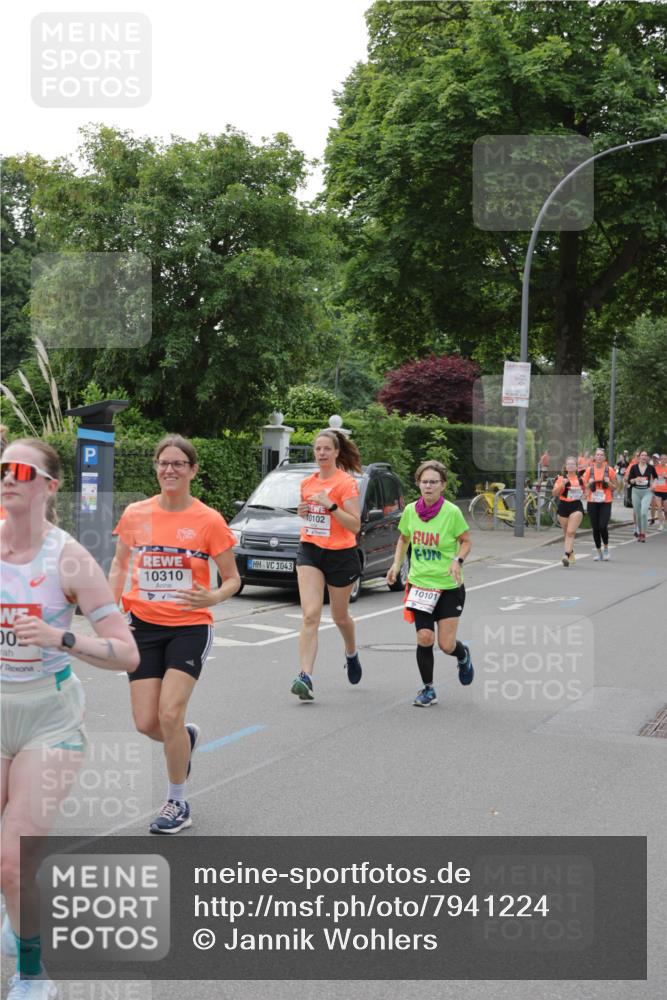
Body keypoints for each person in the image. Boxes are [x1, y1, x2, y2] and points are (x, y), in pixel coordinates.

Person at [1, 439, 139, 1000]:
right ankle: (16, 911)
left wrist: (61, 637)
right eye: (1, 468)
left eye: (19, 469)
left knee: (14, 861)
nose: (7, 477)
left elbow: (126, 654)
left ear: (49, 486)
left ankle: (33, 974)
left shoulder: (69, 558)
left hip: (49, 722)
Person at [109, 435, 240, 833]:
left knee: (169, 714)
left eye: (178, 463)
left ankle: (177, 802)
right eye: (163, 463)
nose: (170, 469)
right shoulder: (136, 514)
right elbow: (119, 566)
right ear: (156, 468)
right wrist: (110, 614)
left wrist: (213, 595)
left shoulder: (208, 520)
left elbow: (233, 579)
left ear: (192, 470)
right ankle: (184, 738)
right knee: (146, 723)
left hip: (189, 627)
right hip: (142, 626)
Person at [386, 460, 473, 707]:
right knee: (424, 637)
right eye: (424, 482)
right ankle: (428, 689)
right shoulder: (410, 511)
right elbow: (404, 538)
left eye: (434, 482)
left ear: (442, 485)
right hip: (420, 585)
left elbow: (466, 541)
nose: (428, 486)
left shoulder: (452, 513)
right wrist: (396, 565)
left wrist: (457, 560)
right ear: (418, 484)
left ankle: (462, 654)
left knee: (446, 645)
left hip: (448, 586)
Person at [290, 429, 363, 702]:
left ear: (336, 452)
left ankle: (351, 652)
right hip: (310, 549)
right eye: (317, 448)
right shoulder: (307, 483)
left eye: (326, 449)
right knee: (310, 615)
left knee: (340, 616)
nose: (321, 453)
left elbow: (355, 525)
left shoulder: (346, 483)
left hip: (340, 555)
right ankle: (305, 676)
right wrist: (302, 511)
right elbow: (307, 514)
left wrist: (331, 506)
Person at [583, 448, 616, 561]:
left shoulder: (609, 470)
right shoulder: (589, 470)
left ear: (604, 457)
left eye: (601, 455)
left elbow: (615, 487)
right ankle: (599, 552)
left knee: (602, 526)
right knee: (595, 528)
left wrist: (608, 482)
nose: (599, 457)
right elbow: (585, 486)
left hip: (605, 502)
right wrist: (589, 484)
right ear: (594, 457)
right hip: (592, 502)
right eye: (597, 455)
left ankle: (606, 548)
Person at [552, 457, 585, 566]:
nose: (570, 466)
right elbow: (554, 493)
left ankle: (566, 555)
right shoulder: (560, 478)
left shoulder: (581, 479)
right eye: (568, 464)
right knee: (566, 533)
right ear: (565, 467)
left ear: (576, 467)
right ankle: (571, 553)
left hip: (576, 506)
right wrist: (562, 484)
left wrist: (586, 494)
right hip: (563, 506)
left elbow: (587, 491)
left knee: (570, 532)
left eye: (572, 464)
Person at [626, 450, 659, 542]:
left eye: (645, 455)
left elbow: (656, 477)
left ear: (647, 457)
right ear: (639, 457)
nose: (644, 457)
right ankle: (640, 532)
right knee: (638, 514)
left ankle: (643, 533)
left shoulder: (650, 467)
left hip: (647, 492)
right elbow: (629, 480)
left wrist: (654, 484)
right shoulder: (634, 467)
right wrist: (635, 479)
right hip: (636, 492)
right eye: (642, 455)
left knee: (643, 513)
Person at [653, 453, 667, 531]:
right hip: (657, 490)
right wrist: (652, 485)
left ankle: (666, 521)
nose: (663, 460)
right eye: (662, 459)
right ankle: (660, 524)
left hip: (665, 490)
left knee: (666, 509)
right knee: (659, 508)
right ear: (660, 460)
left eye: (665, 459)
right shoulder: (656, 468)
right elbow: (652, 478)